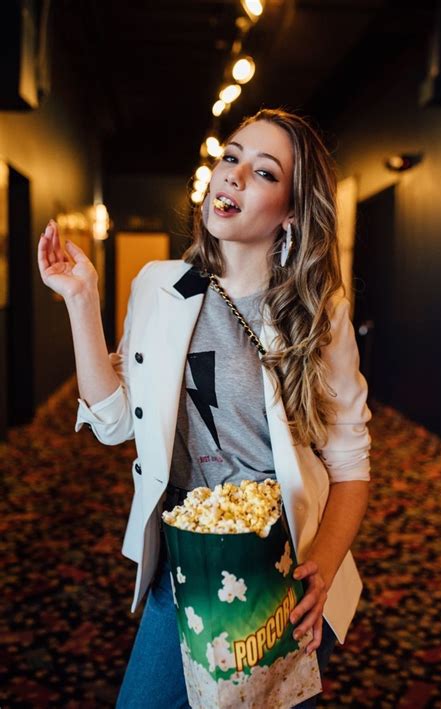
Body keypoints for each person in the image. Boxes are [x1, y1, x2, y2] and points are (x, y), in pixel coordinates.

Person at [37, 108, 372, 708]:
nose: (235, 177)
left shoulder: (318, 312)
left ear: (292, 212)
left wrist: (318, 567)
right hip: (185, 559)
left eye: (264, 173)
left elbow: (350, 464)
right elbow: (113, 423)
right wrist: (82, 300)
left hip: (278, 568)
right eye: (231, 158)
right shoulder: (161, 288)